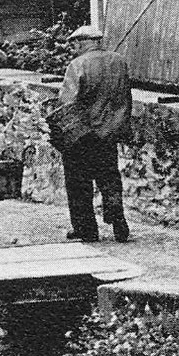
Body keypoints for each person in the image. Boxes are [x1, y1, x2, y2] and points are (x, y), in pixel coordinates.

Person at [55, 24, 132, 243]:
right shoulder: (119, 61)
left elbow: (67, 104)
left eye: (75, 44)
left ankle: (86, 229)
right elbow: (125, 96)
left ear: (82, 42)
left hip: (83, 135)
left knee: (79, 183)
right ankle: (118, 221)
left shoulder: (77, 65)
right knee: (109, 178)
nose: (74, 48)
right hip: (109, 132)